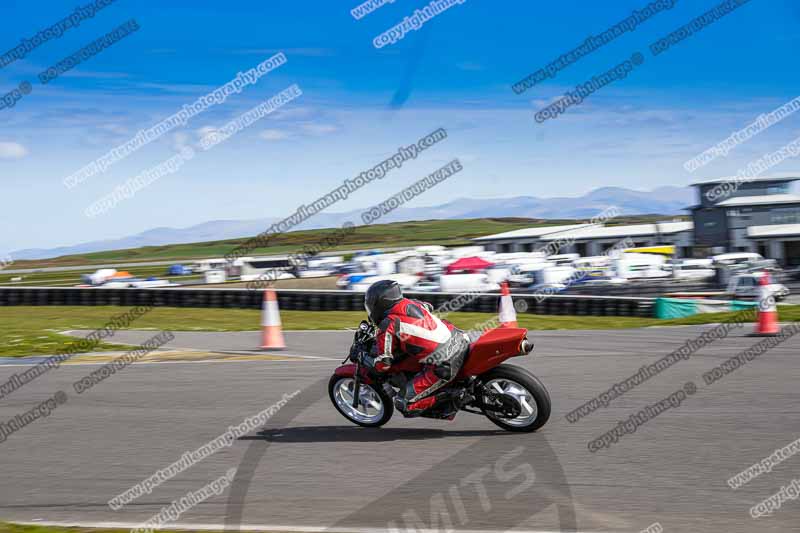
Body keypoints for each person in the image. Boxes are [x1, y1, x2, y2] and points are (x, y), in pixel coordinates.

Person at [364, 280, 469, 415]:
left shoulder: (388, 324)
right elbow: (429, 306)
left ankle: (456, 396)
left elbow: (384, 363)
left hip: (445, 363)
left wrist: (366, 359)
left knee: (403, 403)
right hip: (459, 338)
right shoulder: (412, 303)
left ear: (379, 303)